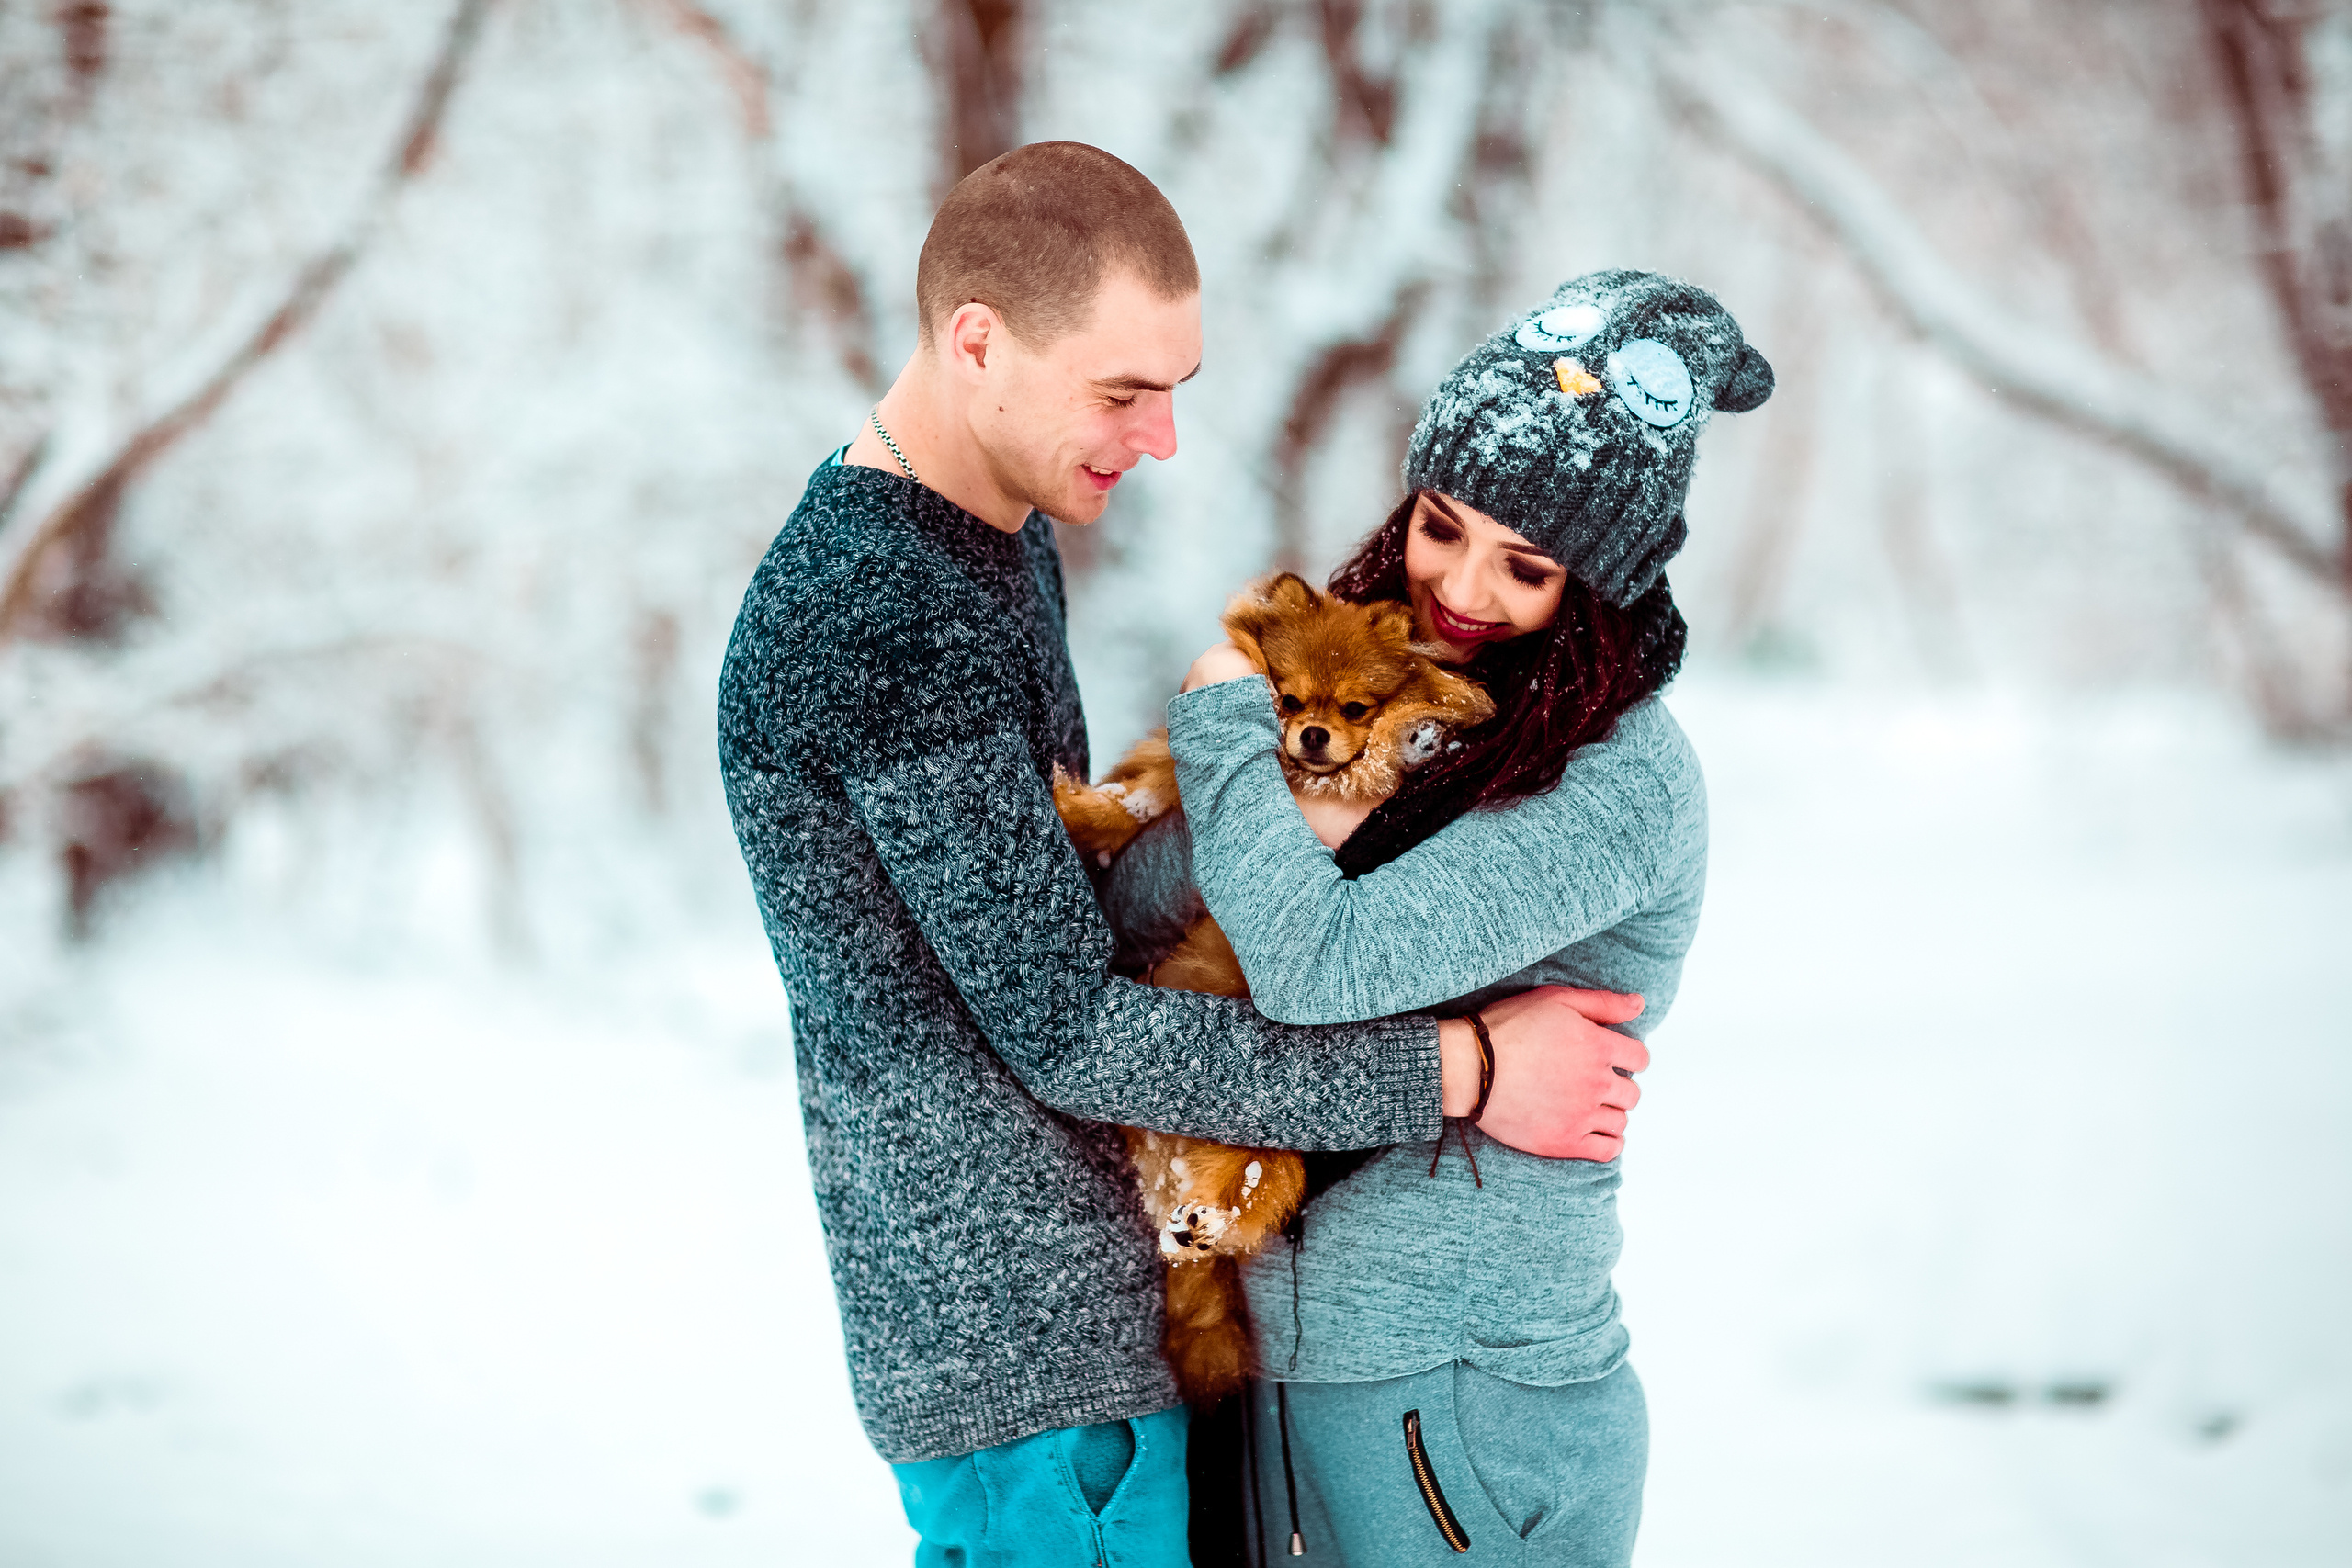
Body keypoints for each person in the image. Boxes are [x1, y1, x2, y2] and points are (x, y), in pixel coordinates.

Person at [716, 144, 1652, 1567]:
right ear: (980, 342)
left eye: (1175, 390)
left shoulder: (983, 541)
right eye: (1122, 392)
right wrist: (1459, 1070)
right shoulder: (883, 610)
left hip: (1100, 1326)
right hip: (1031, 1364)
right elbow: (1067, 1027)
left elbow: (1068, 921)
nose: (1159, 439)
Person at [1103, 269, 1773, 1564]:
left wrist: (1235, 723)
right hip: (1283, 1370)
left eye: (1525, 567)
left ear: (1601, 585)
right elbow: (1141, 920)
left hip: (1459, 1395)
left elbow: (1307, 959)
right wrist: (1292, 791)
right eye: (1441, 524)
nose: (1458, 588)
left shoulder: (1618, 780)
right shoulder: (1376, 685)